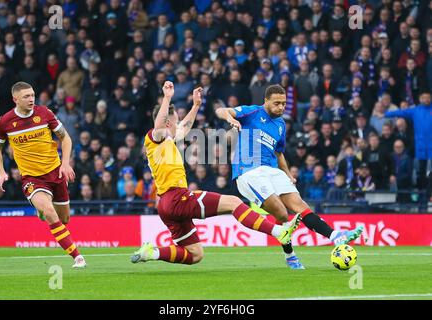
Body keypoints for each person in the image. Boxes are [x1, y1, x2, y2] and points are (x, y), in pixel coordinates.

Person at [131, 82, 301, 265]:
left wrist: (196, 106)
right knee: (234, 202)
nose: (178, 123)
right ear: (167, 122)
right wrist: (167, 97)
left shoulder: (168, 140)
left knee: (195, 254)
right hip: (176, 197)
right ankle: (278, 232)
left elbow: (184, 128)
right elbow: (160, 126)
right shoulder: (155, 137)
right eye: (175, 120)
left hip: (166, 205)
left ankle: (152, 252)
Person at [215, 84, 363, 269]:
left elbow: (279, 153)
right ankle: (290, 255)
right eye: (277, 103)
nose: (281, 107)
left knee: (300, 206)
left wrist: (287, 173)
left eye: (284, 104)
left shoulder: (280, 125)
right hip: (249, 171)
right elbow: (220, 110)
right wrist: (231, 118)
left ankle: (335, 236)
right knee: (282, 213)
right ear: (266, 101)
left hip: (272, 170)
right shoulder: (252, 112)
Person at [0, 81, 86, 268]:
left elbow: (65, 138)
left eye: (33, 95)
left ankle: (41, 210)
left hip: (55, 172)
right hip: (32, 178)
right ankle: (78, 257)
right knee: (50, 212)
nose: (31, 99)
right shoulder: (4, 122)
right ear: (15, 99)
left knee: (64, 219)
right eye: (26, 96)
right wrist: (1, 173)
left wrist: (65, 164)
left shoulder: (45, 113)